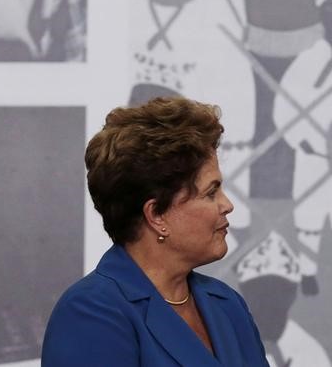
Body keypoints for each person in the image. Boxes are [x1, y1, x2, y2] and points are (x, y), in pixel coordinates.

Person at [42, 96, 269, 366]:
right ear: (157, 215)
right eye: (211, 192)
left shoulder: (227, 304)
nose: (227, 205)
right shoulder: (91, 313)